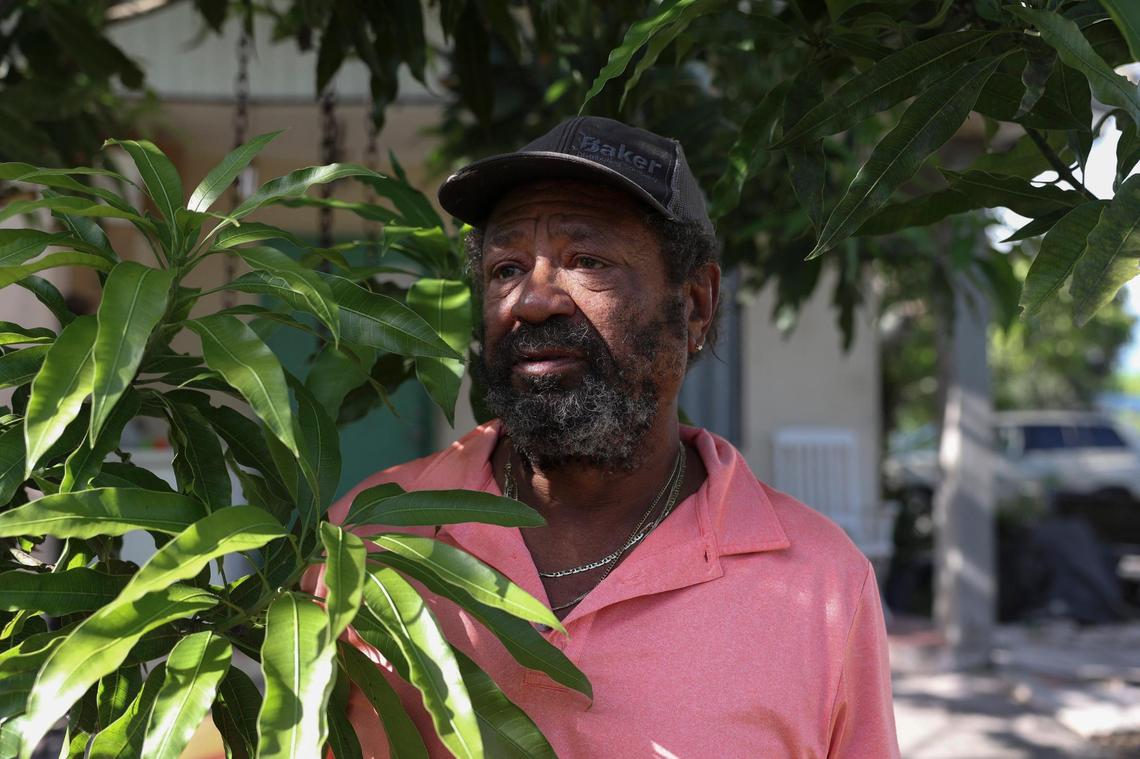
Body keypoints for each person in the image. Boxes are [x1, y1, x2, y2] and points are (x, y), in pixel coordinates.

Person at [326, 116, 899, 757]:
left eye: (586, 261)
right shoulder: (370, 537)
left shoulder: (820, 584)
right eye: (505, 268)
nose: (532, 300)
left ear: (696, 304)